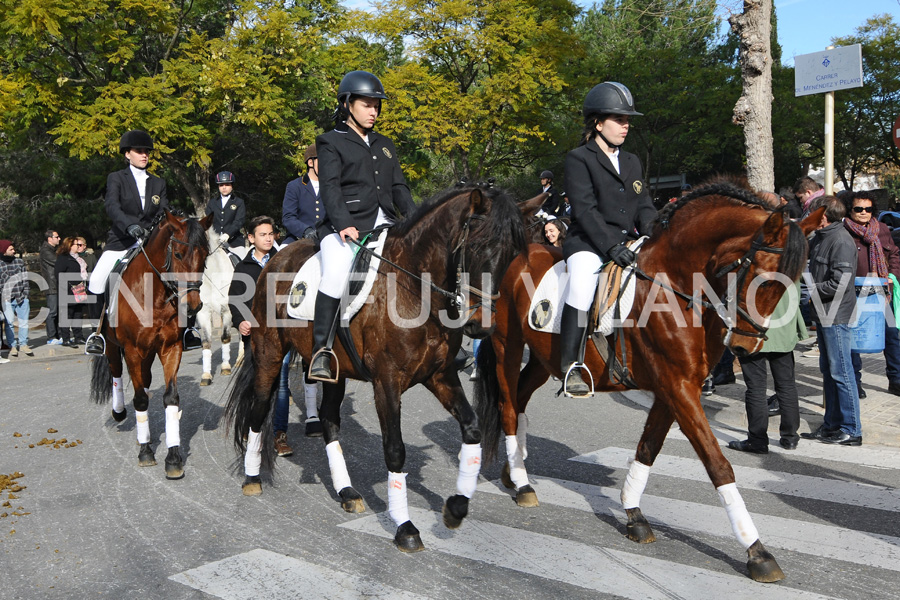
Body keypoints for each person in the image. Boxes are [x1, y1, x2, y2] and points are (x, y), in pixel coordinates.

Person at [309, 70, 416, 381]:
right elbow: (329, 187)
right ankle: (321, 350)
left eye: (377, 106)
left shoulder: (385, 144)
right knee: (336, 271)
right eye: (367, 105)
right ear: (347, 104)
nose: (374, 111)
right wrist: (343, 223)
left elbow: (399, 187)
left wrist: (415, 219)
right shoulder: (330, 141)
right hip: (346, 226)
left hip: (386, 222)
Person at [559, 81, 656, 396]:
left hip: (627, 243)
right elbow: (585, 211)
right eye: (619, 119)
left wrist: (654, 236)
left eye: (628, 120)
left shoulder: (632, 161)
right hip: (588, 243)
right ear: (598, 123)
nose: (625, 126)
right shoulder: (578, 158)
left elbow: (644, 206)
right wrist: (611, 246)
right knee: (583, 283)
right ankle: (570, 364)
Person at [86, 130, 174, 354]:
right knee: (96, 281)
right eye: (139, 151)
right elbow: (112, 207)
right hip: (122, 241)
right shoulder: (116, 178)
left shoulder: (158, 182)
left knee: (181, 276)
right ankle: (98, 334)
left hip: (150, 244)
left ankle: (187, 330)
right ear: (127, 154)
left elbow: (164, 211)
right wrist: (129, 226)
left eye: (146, 152)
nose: (144, 155)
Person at [801, 195, 862, 446]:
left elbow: (841, 282)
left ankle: (851, 429)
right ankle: (832, 425)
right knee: (830, 371)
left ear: (823, 216)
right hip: (825, 313)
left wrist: (810, 291)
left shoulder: (840, 240)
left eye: (813, 214)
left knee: (841, 372)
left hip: (836, 315)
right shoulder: (821, 238)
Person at [727, 281, 807, 453]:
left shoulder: (755, 259)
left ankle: (757, 440)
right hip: (783, 330)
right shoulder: (792, 259)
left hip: (753, 331)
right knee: (786, 385)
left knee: (756, 388)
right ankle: (790, 437)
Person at [842, 190, 900, 398]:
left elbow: (893, 253)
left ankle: (896, 380)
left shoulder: (881, 228)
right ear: (850, 209)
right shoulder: (843, 231)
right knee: (854, 338)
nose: (864, 212)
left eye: (867, 208)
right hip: (854, 293)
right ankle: (855, 382)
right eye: (859, 208)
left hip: (882, 292)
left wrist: (892, 275)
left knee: (892, 335)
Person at [282, 144, 324, 244]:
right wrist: (306, 231)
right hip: (298, 238)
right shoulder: (294, 186)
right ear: (310, 162)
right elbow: (288, 217)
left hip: (326, 238)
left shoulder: (332, 186)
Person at [0, 240, 33, 357]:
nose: (14, 251)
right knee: (9, 323)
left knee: (24, 322)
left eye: (14, 249)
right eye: (11, 249)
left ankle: (24, 344)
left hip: (21, 296)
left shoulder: (19, 262)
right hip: (7, 299)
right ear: (4, 251)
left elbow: (25, 279)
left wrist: (26, 295)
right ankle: (12, 346)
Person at [55, 237, 89, 347]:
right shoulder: (63, 258)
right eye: (76, 245)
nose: (78, 247)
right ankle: (66, 338)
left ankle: (78, 336)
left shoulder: (77, 259)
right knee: (67, 315)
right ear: (70, 246)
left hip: (78, 290)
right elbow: (58, 275)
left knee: (78, 314)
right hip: (67, 291)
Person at [205, 171, 246, 248]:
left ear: (232, 186)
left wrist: (228, 234)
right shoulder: (212, 202)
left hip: (234, 242)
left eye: (227, 185)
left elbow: (239, 221)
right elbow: (208, 220)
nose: (224, 187)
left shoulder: (239, 202)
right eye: (221, 185)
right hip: (214, 241)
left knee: (241, 257)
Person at [40, 229, 63, 345]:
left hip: (57, 284)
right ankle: (51, 336)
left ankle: (58, 335)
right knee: (52, 311)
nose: (59, 238)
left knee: (58, 311)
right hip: (51, 285)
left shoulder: (53, 250)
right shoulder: (45, 251)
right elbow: (57, 262)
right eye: (57, 237)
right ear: (50, 238)